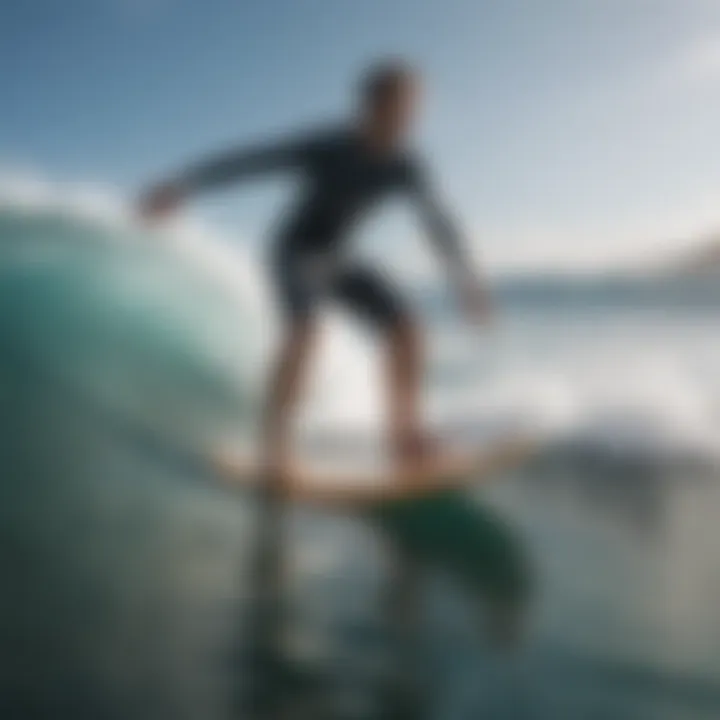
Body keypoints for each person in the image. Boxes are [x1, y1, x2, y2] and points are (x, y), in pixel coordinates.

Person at [139, 60, 491, 478]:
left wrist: (464, 280)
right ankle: (277, 447)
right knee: (306, 332)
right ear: (370, 107)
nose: (408, 119)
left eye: (414, 109)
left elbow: (437, 222)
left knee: (407, 328)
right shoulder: (328, 147)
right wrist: (183, 185)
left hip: (336, 256)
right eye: (400, 108)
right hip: (294, 252)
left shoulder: (406, 165)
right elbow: (253, 160)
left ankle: (404, 437)